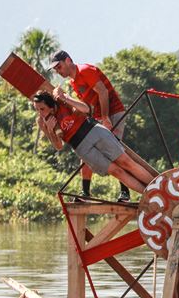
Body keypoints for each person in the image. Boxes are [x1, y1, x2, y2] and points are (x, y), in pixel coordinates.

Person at [32, 91, 154, 194]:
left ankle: (158, 188)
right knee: (117, 171)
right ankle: (149, 196)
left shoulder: (61, 101)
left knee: (127, 162)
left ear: (51, 106)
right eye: (36, 109)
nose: (40, 113)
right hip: (81, 147)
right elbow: (58, 146)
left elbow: (86, 109)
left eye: (42, 109)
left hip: (93, 130)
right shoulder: (42, 122)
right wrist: (50, 130)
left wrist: (66, 98)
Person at [50, 50, 132, 202]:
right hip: (98, 116)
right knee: (85, 151)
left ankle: (125, 192)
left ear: (68, 60)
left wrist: (106, 117)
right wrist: (65, 100)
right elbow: (87, 107)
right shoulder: (73, 82)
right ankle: (85, 193)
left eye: (59, 66)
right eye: (55, 69)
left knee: (116, 151)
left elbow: (103, 92)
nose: (57, 71)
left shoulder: (85, 70)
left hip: (113, 113)